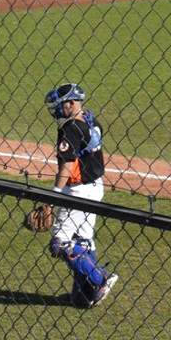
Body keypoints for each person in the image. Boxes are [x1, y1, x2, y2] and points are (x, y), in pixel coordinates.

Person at [44, 83, 119, 308]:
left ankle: (99, 279)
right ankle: (83, 297)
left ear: (71, 103)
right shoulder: (91, 121)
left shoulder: (70, 128)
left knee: (61, 242)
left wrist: (53, 197)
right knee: (83, 241)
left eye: (60, 105)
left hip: (77, 190)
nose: (57, 109)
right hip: (95, 187)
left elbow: (67, 165)